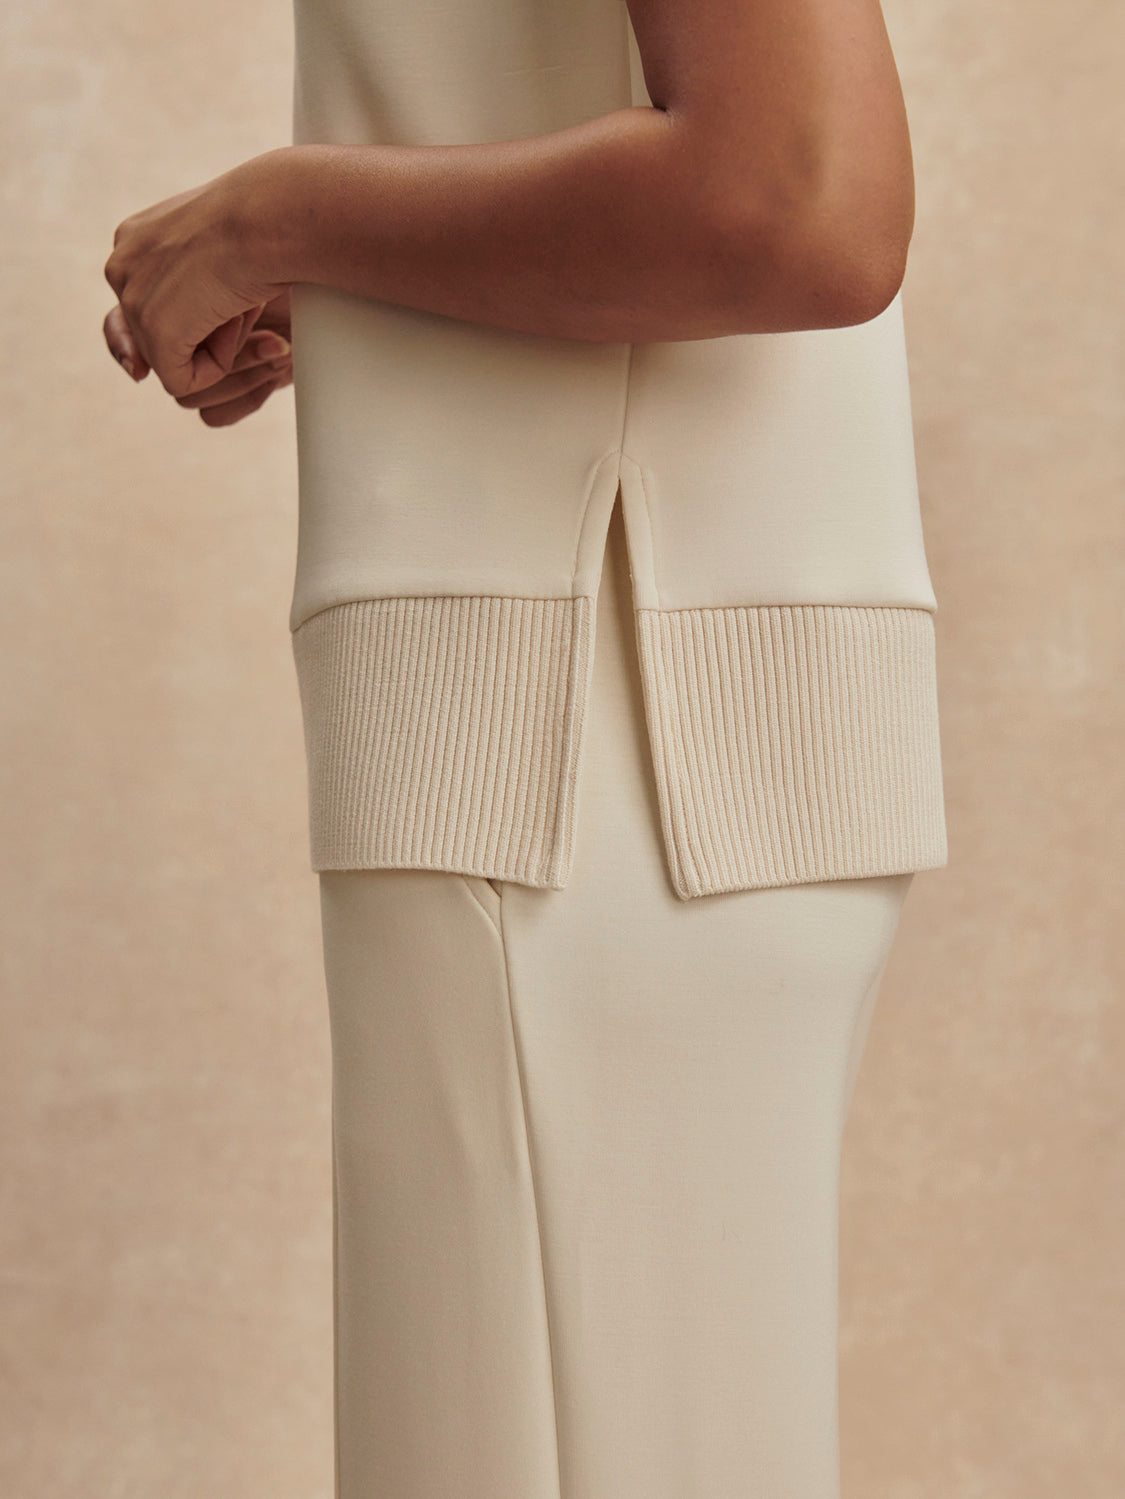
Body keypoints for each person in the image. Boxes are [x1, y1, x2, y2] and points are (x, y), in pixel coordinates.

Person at [102, 1, 947, 1494]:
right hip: (603, 723)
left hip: (583, 753)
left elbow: (793, 203)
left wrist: (269, 216)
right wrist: (359, 267)